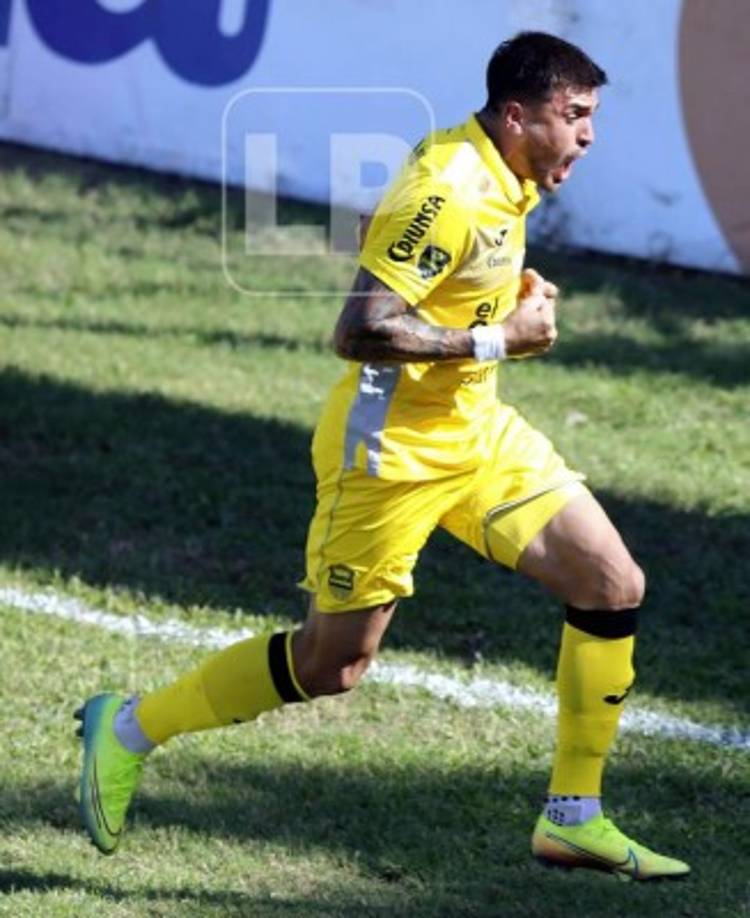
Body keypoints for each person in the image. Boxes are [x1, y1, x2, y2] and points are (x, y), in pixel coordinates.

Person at [76, 31, 689, 880]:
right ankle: (128, 727)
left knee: (611, 583)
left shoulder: (503, 170)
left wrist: (497, 296)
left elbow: (407, 242)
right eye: (574, 115)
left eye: (592, 117)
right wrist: (498, 337)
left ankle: (572, 818)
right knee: (332, 665)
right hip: (387, 452)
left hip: (474, 434)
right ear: (518, 116)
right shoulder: (451, 186)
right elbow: (360, 329)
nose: (588, 135)